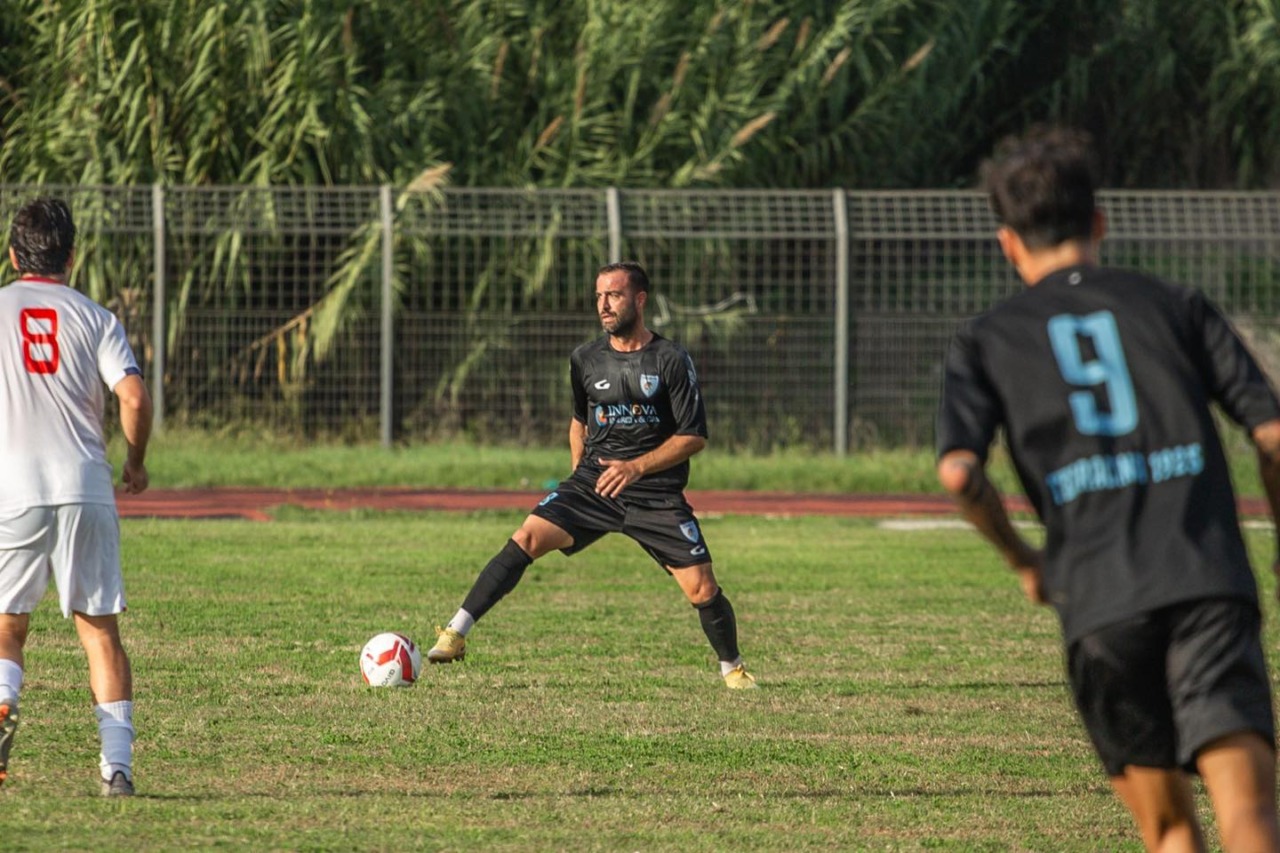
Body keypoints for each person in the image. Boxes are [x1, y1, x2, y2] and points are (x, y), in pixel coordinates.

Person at [936, 126, 1280, 851]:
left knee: (1171, 833)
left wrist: (1024, 560)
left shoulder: (987, 338)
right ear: (1099, 223)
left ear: (1008, 243)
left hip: (1099, 602)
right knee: (1251, 818)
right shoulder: (1174, 303)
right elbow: (1272, 434)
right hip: (1206, 582)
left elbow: (960, 473)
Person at [427, 261, 756, 689]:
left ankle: (731, 668)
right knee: (525, 538)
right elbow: (579, 421)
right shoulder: (584, 358)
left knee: (701, 589)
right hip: (593, 485)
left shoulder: (671, 359)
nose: (603, 305)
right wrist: (577, 481)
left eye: (614, 295)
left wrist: (637, 467)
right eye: (599, 296)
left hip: (654, 493)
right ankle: (456, 632)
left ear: (639, 300)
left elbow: (693, 436)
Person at [0, 198, 153, 797]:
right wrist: (135, 463)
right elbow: (134, 399)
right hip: (86, 485)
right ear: (72, 256)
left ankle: (5, 698)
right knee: (99, 632)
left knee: (8, 627)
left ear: (14, 256)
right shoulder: (96, 318)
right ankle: (117, 767)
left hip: (13, 488)